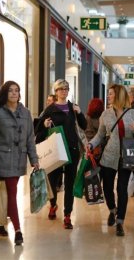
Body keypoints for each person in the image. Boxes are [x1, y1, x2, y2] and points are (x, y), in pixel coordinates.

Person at [0, 81, 39, 245]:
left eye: (17, 91)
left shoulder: (26, 113)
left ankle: (4, 225)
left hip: (18, 160)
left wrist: (34, 160)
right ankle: (17, 230)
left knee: (10, 194)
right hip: (1, 159)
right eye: (10, 91)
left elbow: (30, 139)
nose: (14, 94)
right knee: (8, 195)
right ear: (5, 93)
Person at [87, 84, 134, 237]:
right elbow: (100, 135)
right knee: (107, 188)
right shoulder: (105, 115)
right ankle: (112, 210)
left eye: (111, 94)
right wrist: (91, 144)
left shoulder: (133, 114)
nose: (108, 96)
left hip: (126, 156)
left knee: (122, 189)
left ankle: (120, 222)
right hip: (109, 156)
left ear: (118, 95)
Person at [35, 79, 87, 229]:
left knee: (70, 183)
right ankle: (53, 204)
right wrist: (44, 125)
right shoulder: (50, 109)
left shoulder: (73, 108)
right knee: (52, 181)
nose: (64, 91)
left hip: (72, 149)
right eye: (61, 89)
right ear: (56, 91)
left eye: (66, 88)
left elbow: (84, 125)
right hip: (55, 150)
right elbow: (38, 129)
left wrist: (80, 113)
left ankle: (67, 215)